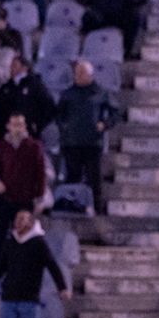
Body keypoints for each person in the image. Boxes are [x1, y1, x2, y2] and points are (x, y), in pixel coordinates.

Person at [57, 60, 116, 215]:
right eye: (76, 73)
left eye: (81, 73)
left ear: (90, 75)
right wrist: (64, 127)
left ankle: (96, 209)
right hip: (71, 143)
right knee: (72, 177)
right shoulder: (68, 93)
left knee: (94, 179)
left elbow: (115, 112)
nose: (78, 76)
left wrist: (105, 124)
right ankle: (71, 208)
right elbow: (58, 114)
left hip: (92, 143)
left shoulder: (101, 93)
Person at [0, 112, 48, 244]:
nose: (18, 128)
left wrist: (40, 197)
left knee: (24, 235)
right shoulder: (1, 146)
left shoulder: (34, 146)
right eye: (14, 125)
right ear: (8, 126)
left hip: (25, 199)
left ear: (25, 126)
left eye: (20, 125)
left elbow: (41, 173)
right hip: (5, 198)